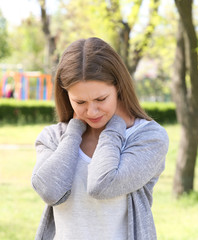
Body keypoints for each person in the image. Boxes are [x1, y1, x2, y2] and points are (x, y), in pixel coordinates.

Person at [31, 37, 169, 240]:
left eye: (100, 99)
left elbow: (102, 184)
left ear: (119, 87)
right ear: (66, 95)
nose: (92, 111)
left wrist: (115, 126)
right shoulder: (53, 137)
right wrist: (74, 129)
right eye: (80, 101)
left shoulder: (149, 138)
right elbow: (50, 190)